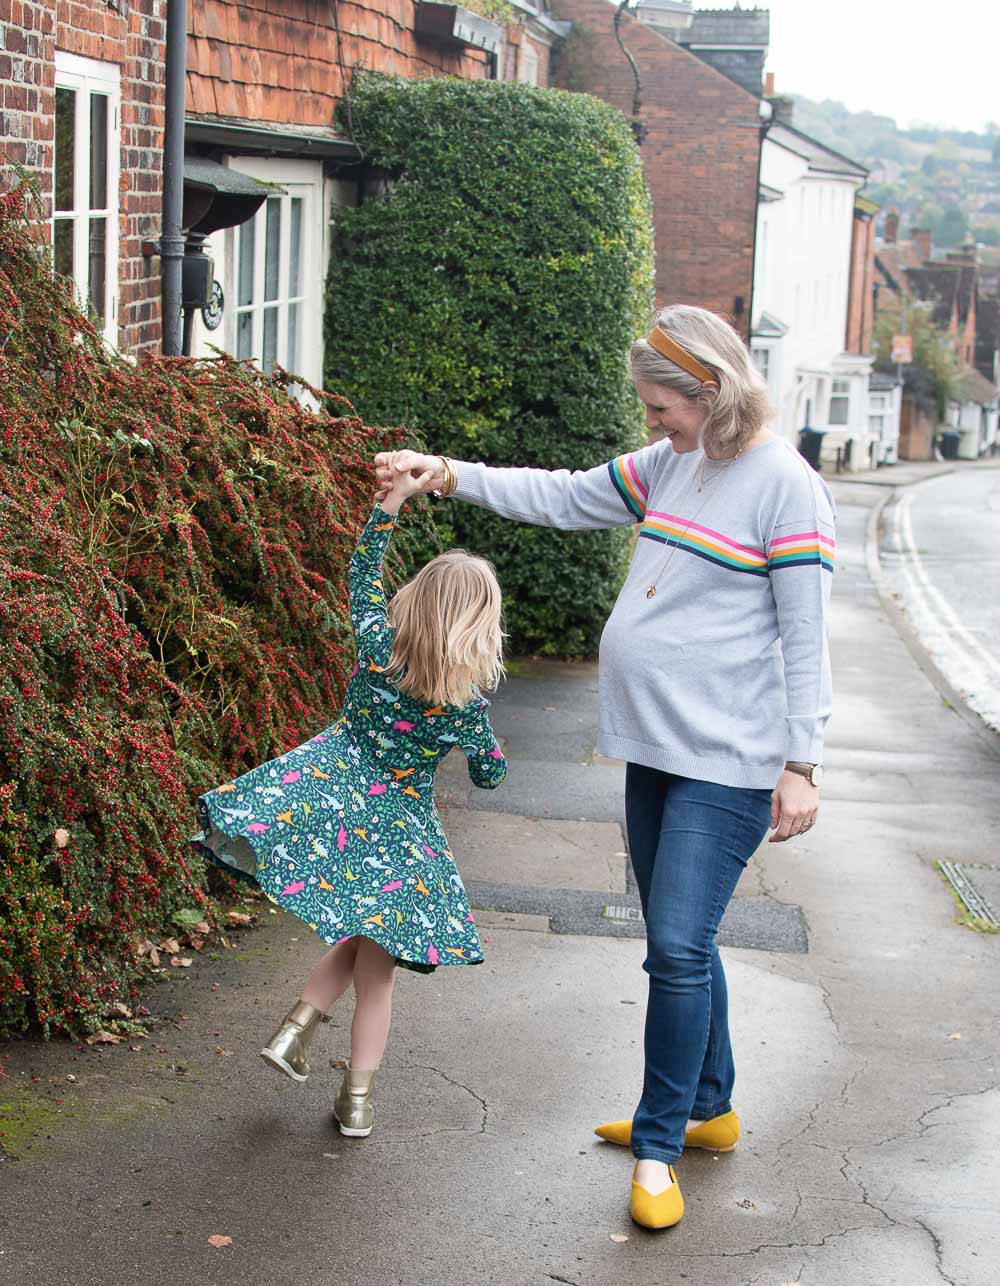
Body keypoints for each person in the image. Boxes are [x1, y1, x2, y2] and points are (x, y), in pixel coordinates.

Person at [375, 304, 834, 1228]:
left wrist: (803, 763)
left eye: (662, 405)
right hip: (650, 745)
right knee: (686, 941)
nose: (652, 421)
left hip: (729, 760)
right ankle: (710, 1108)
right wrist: (448, 477)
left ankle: (660, 1148)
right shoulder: (674, 465)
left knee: (673, 945)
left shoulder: (784, 486)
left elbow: (807, 635)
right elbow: (565, 495)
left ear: (710, 391)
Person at [191, 462, 507, 1137]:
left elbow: (361, 577)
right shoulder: (464, 707)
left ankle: (295, 1031)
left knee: (364, 936)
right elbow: (489, 777)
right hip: (398, 829)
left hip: (335, 802)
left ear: (415, 600)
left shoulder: (374, 648)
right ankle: (356, 1100)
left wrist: (389, 507)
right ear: (482, 626)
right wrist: (486, 748)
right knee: (380, 971)